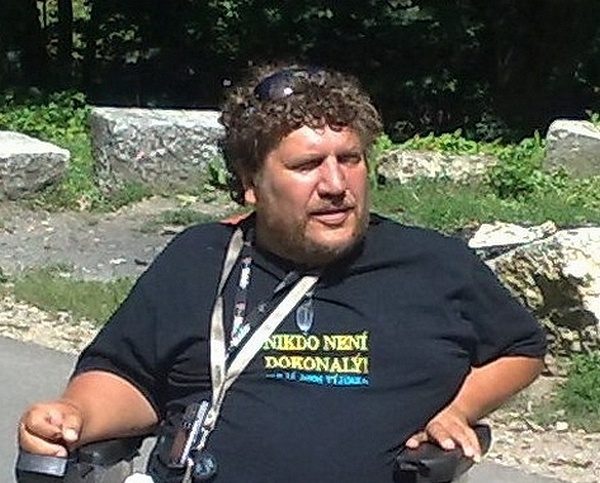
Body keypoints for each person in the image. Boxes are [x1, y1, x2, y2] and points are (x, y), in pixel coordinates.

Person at [18, 65, 546, 483]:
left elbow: (521, 347)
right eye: (306, 165)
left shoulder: (432, 265)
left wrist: (459, 410)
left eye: (350, 159)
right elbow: (130, 375)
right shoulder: (200, 257)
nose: (336, 184)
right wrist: (72, 417)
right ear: (250, 182)